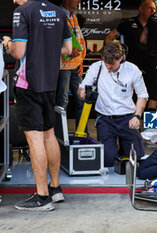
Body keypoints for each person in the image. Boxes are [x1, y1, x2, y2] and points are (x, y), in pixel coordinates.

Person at [2, 0, 72, 211]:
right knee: (48, 134)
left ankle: (42, 197)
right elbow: (68, 48)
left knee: (34, 139)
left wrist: (7, 42)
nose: (14, 0)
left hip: (28, 82)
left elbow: (18, 52)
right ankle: (55, 189)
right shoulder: (60, 12)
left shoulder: (22, 12)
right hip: (50, 82)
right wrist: (46, 50)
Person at [77, 42, 148, 167]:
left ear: (120, 59)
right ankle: (113, 151)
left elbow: (142, 95)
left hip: (127, 118)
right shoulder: (96, 67)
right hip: (105, 119)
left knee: (136, 158)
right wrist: (82, 92)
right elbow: (82, 87)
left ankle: (122, 149)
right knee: (108, 161)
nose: (108, 67)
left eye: (112, 64)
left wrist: (137, 116)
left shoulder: (132, 70)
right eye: (106, 63)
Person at [56, 0, 86, 129]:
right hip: (62, 66)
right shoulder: (57, 15)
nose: (79, 1)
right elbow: (51, 40)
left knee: (82, 99)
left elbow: (78, 40)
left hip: (76, 65)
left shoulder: (73, 15)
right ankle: (61, 136)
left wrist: (80, 62)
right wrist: (67, 54)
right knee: (62, 101)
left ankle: (82, 134)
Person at [104, 0, 156, 70]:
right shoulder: (127, 23)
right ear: (141, 9)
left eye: (154, 9)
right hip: (130, 67)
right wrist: (112, 54)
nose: (153, 11)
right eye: (150, 8)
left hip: (150, 67)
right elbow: (109, 37)